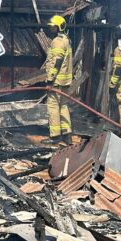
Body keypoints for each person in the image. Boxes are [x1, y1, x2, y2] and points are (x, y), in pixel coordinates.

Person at [44, 15, 73, 146]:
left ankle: (55, 136)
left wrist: (50, 80)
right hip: (65, 81)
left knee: (53, 107)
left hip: (56, 81)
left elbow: (57, 61)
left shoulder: (57, 41)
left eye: (53, 27)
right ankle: (67, 134)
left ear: (59, 27)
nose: (51, 29)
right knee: (63, 106)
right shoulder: (66, 40)